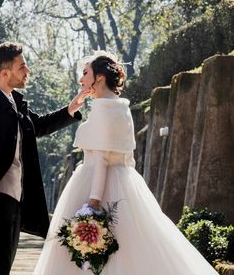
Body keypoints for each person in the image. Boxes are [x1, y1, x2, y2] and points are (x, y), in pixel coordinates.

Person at [33, 51, 218, 274]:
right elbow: (127, 157)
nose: (81, 79)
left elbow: (100, 160)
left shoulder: (102, 109)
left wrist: (92, 205)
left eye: (85, 73)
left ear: (99, 77)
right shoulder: (122, 108)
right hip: (125, 181)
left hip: (96, 185)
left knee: (92, 254)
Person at [0, 42, 88, 275]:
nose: (28, 71)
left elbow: (38, 126)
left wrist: (71, 108)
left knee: (0, 268)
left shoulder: (14, 102)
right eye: (22, 67)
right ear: (5, 73)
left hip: (15, 201)